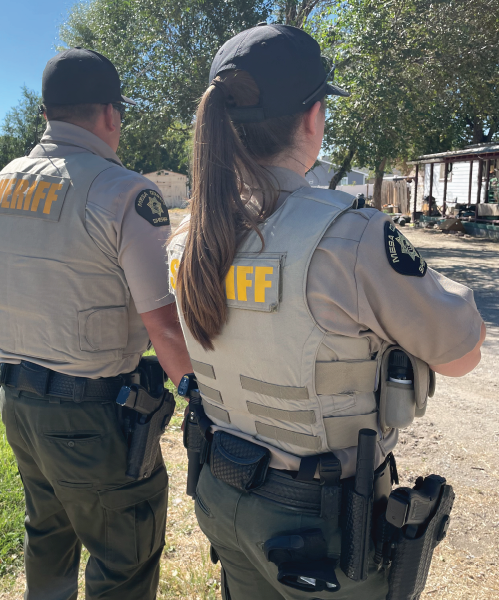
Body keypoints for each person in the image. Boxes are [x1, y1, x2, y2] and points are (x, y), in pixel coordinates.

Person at [167, 24, 485, 600]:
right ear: (312, 119)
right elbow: (463, 354)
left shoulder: (190, 236)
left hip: (222, 488)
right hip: (319, 524)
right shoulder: (350, 235)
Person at [0, 47, 192, 600]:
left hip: (17, 401)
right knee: (125, 556)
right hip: (95, 415)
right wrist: (202, 399)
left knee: (47, 533)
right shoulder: (124, 192)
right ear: (111, 115)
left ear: (45, 114)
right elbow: (163, 324)